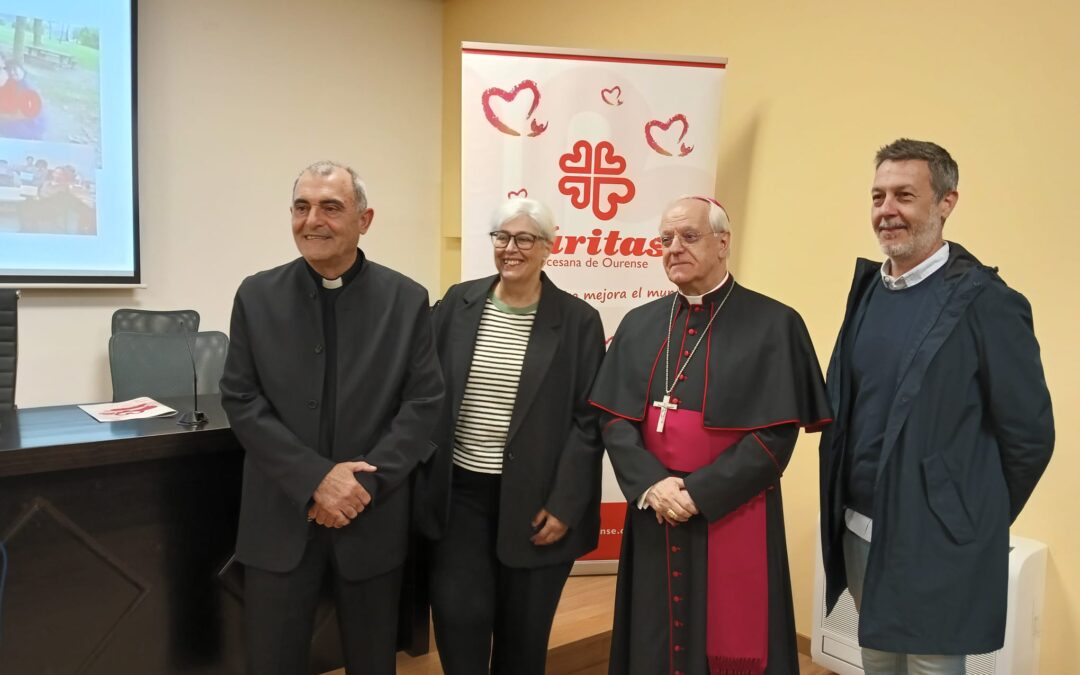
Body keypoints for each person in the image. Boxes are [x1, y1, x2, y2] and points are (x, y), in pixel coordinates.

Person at [818, 139, 1055, 674]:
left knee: (931, 667)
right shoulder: (870, 292)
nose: (887, 211)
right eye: (878, 196)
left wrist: (966, 515)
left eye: (904, 195)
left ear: (946, 203)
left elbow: (1030, 436)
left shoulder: (986, 301)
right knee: (876, 660)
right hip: (858, 528)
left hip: (935, 539)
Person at [220, 160, 444, 675]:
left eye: (330, 207)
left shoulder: (405, 300)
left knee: (371, 662)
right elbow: (241, 399)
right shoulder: (257, 295)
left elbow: (423, 405)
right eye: (301, 207)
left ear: (364, 220)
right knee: (271, 662)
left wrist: (359, 486)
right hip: (279, 517)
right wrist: (317, 479)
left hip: (371, 518)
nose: (311, 220)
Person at [590, 196, 831, 675]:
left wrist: (699, 492)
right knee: (653, 636)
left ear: (723, 243)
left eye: (689, 236)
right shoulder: (640, 324)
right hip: (655, 508)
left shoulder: (775, 324)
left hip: (732, 507)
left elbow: (775, 437)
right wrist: (653, 485)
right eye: (665, 239)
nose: (674, 248)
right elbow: (615, 421)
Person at [415, 197, 606, 675]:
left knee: (523, 638)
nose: (511, 249)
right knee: (459, 621)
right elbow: (423, 389)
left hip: (538, 504)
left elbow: (589, 421)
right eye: (502, 237)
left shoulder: (579, 321)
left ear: (548, 247)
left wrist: (566, 503)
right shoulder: (458, 302)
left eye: (525, 239)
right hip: (460, 495)